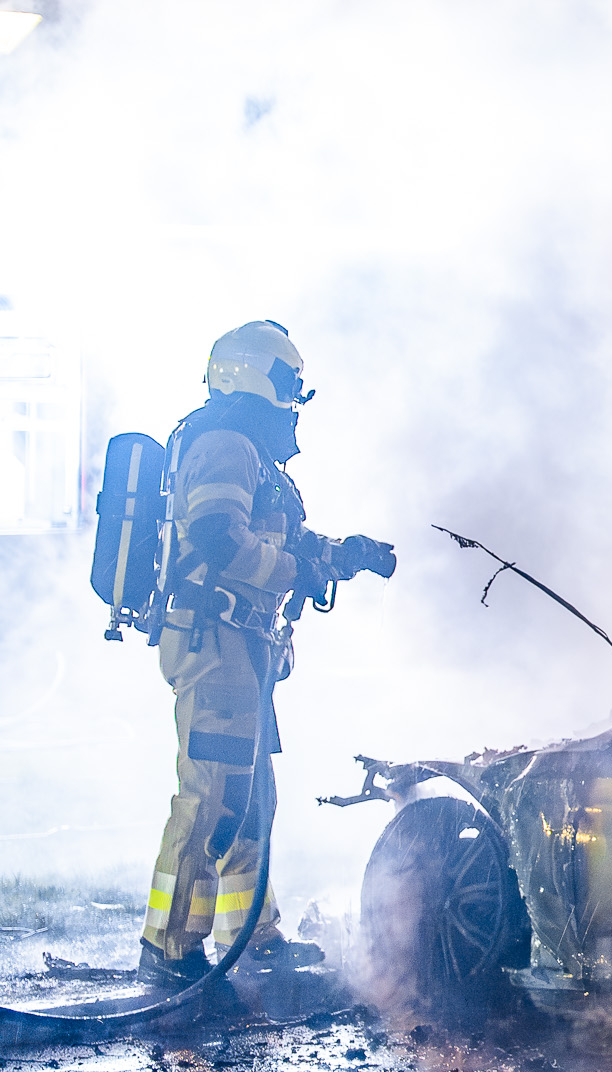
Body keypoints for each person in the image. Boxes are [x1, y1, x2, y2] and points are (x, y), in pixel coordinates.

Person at [139, 321, 395, 988]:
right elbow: (217, 538)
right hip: (212, 641)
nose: (294, 398)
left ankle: (249, 935)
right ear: (255, 376)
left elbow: (291, 546)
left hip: (243, 650)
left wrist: (347, 557)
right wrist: (290, 570)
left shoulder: (255, 457)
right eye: (288, 383)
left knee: (251, 800)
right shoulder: (224, 443)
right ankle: (170, 950)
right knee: (210, 797)